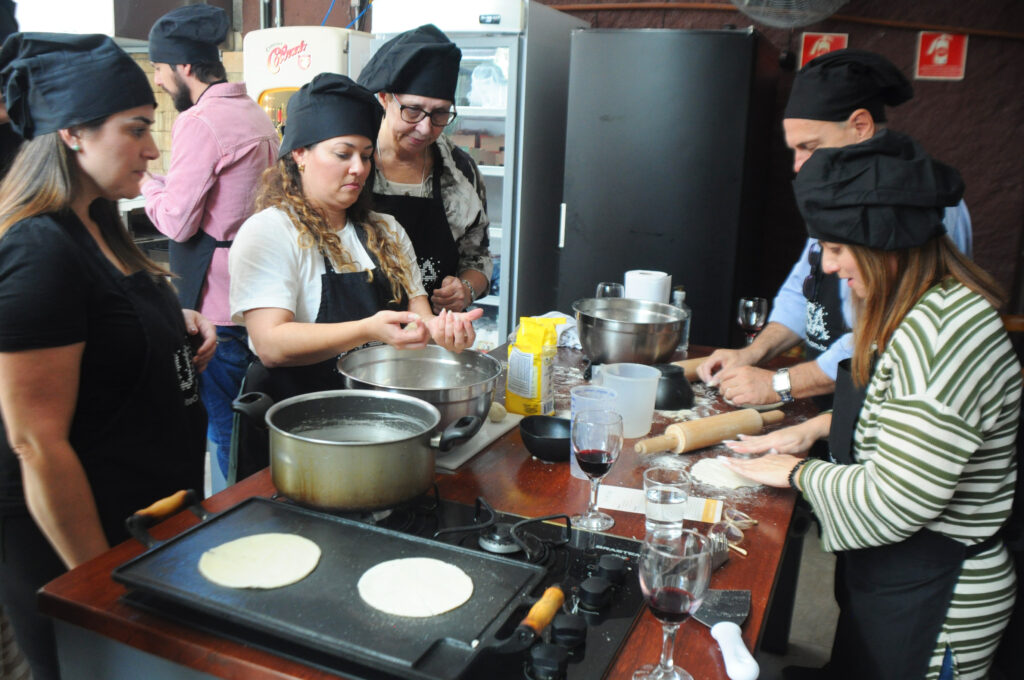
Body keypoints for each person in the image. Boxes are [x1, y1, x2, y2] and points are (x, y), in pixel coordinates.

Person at [719, 131, 1020, 680]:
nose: (828, 267)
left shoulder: (945, 335)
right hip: (899, 577)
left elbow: (902, 496)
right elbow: (907, 417)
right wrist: (812, 431)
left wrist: (798, 474)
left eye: (836, 249)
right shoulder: (919, 308)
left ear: (885, 244)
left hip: (938, 600)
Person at [0, 34, 215, 679]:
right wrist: (102, 586)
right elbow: (35, 443)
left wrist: (167, 325)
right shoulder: (38, 250)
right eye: (137, 129)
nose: (154, 150)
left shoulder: (98, 223)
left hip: (142, 511)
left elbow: (98, 323)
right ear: (72, 133)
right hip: (76, 538)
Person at [698, 49, 973, 406]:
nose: (797, 166)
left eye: (808, 147)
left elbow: (883, 333)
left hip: (881, 416)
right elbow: (803, 291)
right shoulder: (837, 195)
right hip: (831, 410)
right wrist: (753, 354)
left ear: (860, 127)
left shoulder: (916, 203)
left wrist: (781, 383)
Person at [229, 72, 480, 408]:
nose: (359, 168)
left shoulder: (386, 229)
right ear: (300, 153)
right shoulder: (270, 232)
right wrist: (368, 330)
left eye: (365, 155)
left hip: (377, 412)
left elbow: (420, 321)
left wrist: (446, 331)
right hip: (297, 420)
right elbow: (271, 345)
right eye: (343, 154)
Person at [142, 4, 279, 481]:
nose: (159, 80)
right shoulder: (255, 114)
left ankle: (232, 524)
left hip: (216, 304)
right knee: (249, 426)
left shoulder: (200, 122)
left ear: (183, 67)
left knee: (224, 429)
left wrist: (145, 181)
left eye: (159, 68)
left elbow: (177, 223)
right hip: (258, 294)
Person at [358, 24, 492, 313]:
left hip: (432, 343)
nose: (425, 127)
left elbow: (477, 257)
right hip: (357, 340)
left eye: (441, 113)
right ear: (384, 98)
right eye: (413, 110)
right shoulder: (354, 164)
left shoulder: (459, 172)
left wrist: (466, 289)